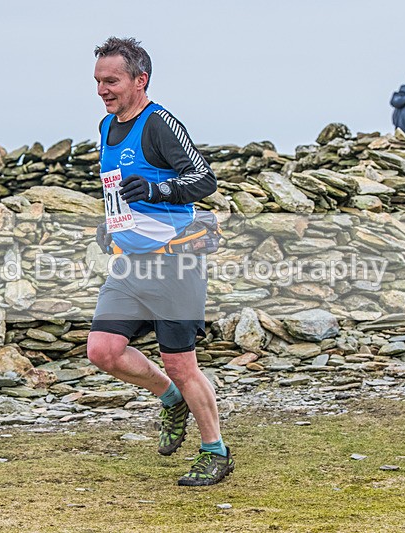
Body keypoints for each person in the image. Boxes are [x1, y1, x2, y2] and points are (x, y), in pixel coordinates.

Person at [87, 36, 234, 486]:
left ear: (140, 80)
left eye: (111, 81)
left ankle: (215, 452)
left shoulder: (160, 124)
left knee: (181, 364)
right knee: (103, 351)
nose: (102, 90)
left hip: (175, 264)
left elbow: (203, 179)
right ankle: (171, 400)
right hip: (129, 265)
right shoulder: (106, 127)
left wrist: (158, 190)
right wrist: (112, 224)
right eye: (97, 81)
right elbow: (120, 190)